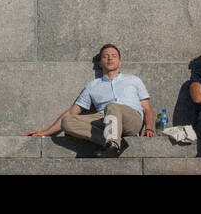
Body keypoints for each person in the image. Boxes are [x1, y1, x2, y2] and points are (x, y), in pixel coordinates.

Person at [25, 43, 155, 155]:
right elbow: (72, 112)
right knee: (67, 122)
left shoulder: (133, 80)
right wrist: (45, 132)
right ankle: (114, 143)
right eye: (105, 56)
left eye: (114, 56)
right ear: (100, 62)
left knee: (112, 106)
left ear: (119, 62)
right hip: (104, 119)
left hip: (130, 119)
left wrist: (149, 128)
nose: (110, 58)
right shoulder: (93, 85)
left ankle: (113, 144)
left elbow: (147, 108)